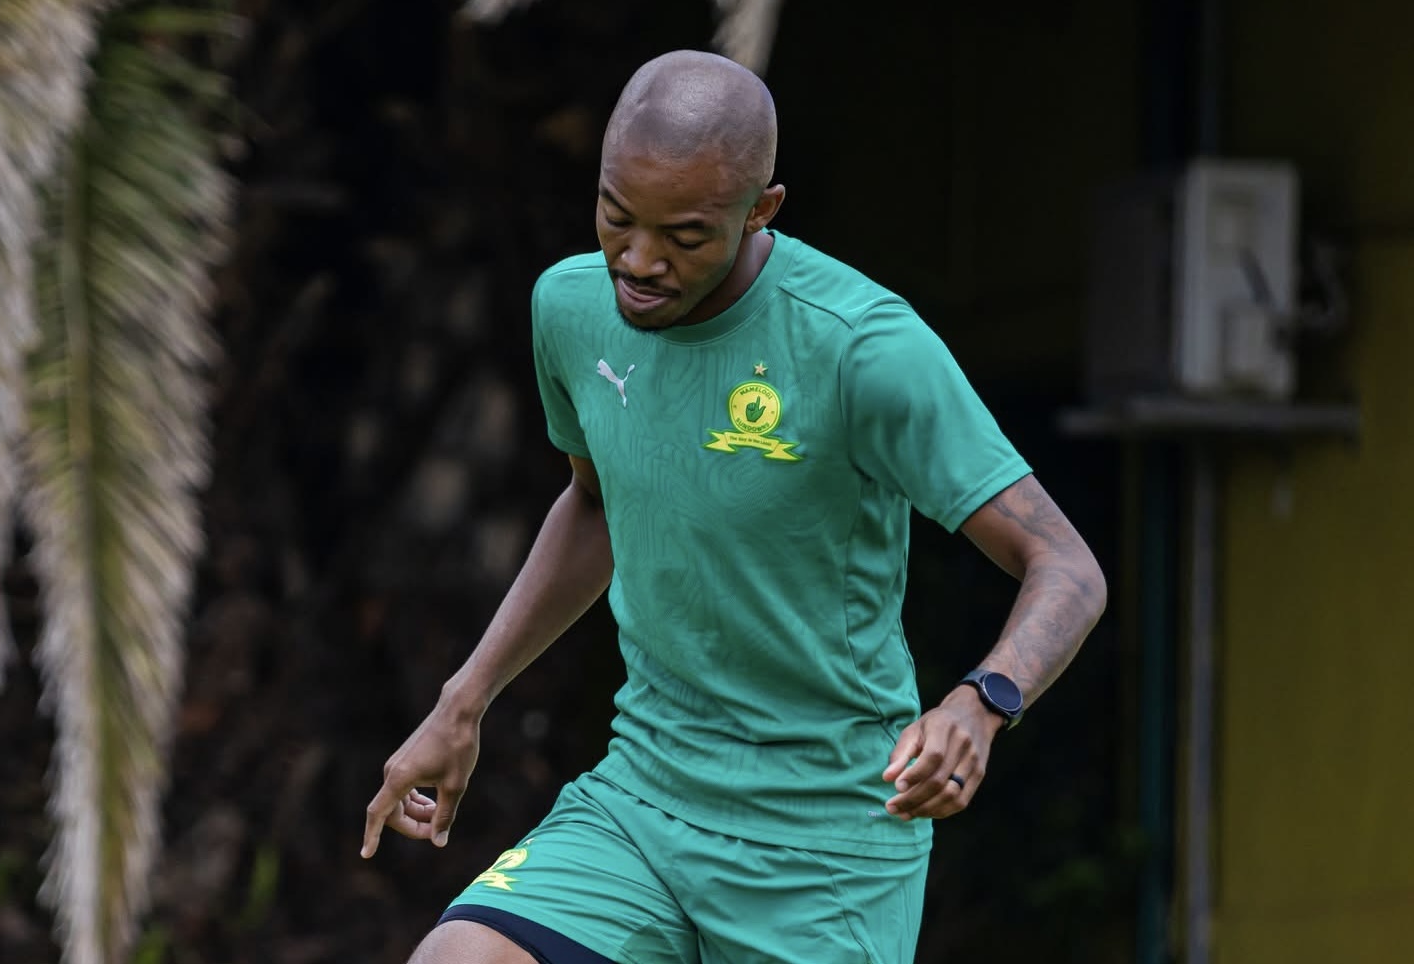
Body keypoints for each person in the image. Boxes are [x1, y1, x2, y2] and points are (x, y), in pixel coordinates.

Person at [362, 49, 1107, 964]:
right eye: (615, 217)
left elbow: (1066, 567)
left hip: (824, 841)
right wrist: (463, 701)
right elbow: (595, 507)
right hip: (644, 797)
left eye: (684, 235)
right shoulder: (570, 307)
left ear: (762, 211)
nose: (638, 262)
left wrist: (980, 703)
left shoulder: (861, 349)